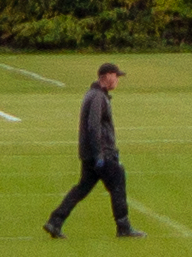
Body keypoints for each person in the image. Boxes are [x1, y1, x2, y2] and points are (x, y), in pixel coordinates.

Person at [43, 61, 134, 239]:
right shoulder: (98, 97)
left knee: (82, 188)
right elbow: (94, 126)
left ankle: (55, 221)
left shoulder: (92, 94)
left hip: (89, 154)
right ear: (107, 76)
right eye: (116, 76)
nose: (117, 80)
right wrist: (100, 154)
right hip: (100, 154)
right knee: (118, 182)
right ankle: (123, 227)